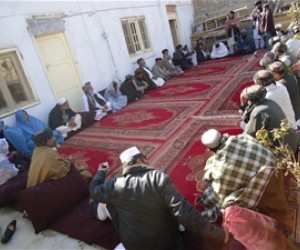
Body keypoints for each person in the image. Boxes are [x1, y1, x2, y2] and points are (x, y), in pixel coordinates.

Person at [89, 146, 229, 250]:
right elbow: (184, 213)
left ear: (125, 166)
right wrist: (217, 234)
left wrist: (101, 172)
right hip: (169, 246)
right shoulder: (157, 177)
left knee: (107, 203)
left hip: (133, 246)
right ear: (141, 160)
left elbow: (94, 190)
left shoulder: (113, 185)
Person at [199, 129, 288, 224]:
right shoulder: (244, 137)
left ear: (209, 149)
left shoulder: (222, 168)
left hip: (263, 185)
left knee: (216, 200)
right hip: (276, 170)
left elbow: (221, 191)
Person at [240, 84, 299, 153]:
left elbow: (248, 136)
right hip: (291, 141)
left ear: (249, 100)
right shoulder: (270, 102)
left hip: (282, 149)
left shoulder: (259, 111)